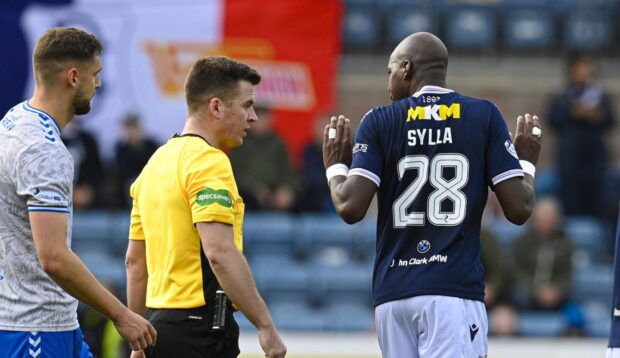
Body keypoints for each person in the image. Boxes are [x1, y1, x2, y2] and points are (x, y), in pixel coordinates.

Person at [322, 32, 542, 357]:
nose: (388, 81)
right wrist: (526, 162)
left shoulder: (379, 121)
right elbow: (519, 208)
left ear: (407, 69)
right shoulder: (483, 116)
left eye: (390, 71)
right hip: (451, 292)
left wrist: (335, 167)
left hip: (392, 296)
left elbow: (350, 207)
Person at [0, 27, 156, 357]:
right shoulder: (43, 150)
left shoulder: (14, 120)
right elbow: (53, 257)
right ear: (73, 77)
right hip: (34, 329)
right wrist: (121, 315)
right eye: (95, 74)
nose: (98, 83)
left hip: (55, 320)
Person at [125, 56, 286, 358]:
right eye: (246, 105)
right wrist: (265, 325)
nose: (253, 117)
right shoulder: (209, 162)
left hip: (158, 330)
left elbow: (135, 262)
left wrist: (138, 338)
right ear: (216, 107)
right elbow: (220, 253)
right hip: (199, 332)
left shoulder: (154, 164)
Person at [548, 52, 615, 220]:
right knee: (571, 207)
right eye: (582, 66)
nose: (586, 70)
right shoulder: (562, 97)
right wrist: (574, 112)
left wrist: (593, 115)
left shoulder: (600, 97)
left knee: (600, 207)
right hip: (570, 164)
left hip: (596, 163)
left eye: (588, 65)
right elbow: (553, 119)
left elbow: (610, 120)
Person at [228, 106, 297, 212]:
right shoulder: (240, 142)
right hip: (248, 192)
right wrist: (254, 187)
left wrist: (286, 188)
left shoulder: (278, 142)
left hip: (274, 190)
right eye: (260, 118)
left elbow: (288, 171)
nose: (262, 122)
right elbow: (234, 172)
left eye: (266, 118)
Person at [114, 114, 159, 208]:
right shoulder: (121, 149)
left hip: (151, 180)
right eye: (128, 128)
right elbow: (124, 171)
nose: (132, 131)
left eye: (134, 127)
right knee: (132, 185)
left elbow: (157, 168)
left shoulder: (151, 145)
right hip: (130, 183)